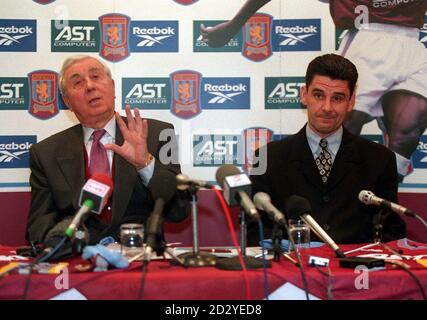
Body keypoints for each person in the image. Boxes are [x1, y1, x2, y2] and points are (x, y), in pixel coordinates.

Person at [201, 0, 427, 181]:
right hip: (368, 37)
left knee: (406, 135)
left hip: (413, 43)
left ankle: (380, 208)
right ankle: (320, 202)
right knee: (343, 129)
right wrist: (234, 26)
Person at [26, 55, 189, 252]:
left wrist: (144, 164)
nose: (89, 86)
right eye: (78, 82)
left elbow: (179, 211)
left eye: (95, 77)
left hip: (140, 260)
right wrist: (64, 239)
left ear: (112, 87)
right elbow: (37, 226)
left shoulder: (159, 134)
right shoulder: (46, 153)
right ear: (67, 101)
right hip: (78, 261)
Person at [249, 53, 406, 245]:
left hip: (353, 271)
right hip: (293, 270)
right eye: (318, 95)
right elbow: (254, 229)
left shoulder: (380, 159)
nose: (327, 107)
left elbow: (392, 230)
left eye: (337, 98)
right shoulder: (265, 157)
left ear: (351, 101)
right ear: (304, 95)